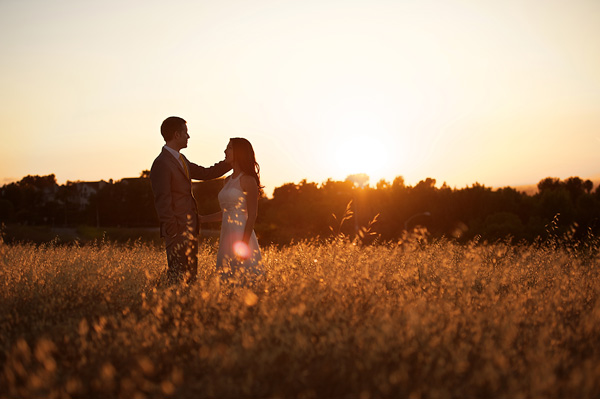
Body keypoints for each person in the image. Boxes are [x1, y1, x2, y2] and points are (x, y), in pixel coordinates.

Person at [150, 116, 231, 284]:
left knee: (191, 277)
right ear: (176, 134)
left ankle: (188, 308)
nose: (189, 136)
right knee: (178, 277)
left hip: (190, 228)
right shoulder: (161, 163)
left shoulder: (182, 160)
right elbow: (162, 200)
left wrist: (229, 163)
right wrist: (172, 230)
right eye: (186, 133)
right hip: (177, 230)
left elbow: (205, 173)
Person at [200, 138, 262, 283]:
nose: (225, 151)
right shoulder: (227, 180)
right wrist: (202, 219)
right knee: (227, 280)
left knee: (245, 279)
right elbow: (226, 213)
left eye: (229, 148)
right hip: (226, 235)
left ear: (239, 153)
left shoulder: (248, 180)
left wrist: (244, 244)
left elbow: (252, 215)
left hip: (242, 235)